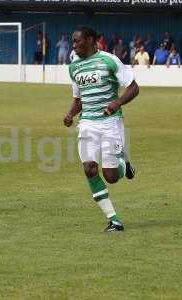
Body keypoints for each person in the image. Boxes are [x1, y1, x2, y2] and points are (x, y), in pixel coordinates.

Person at [63, 26, 139, 232]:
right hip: (87, 123)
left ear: (89, 40)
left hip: (110, 122)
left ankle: (125, 164)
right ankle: (114, 220)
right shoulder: (74, 67)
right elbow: (79, 99)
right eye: (73, 41)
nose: (74, 44)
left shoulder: (109, 60)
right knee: (89, 169)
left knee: (112, 176)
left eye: (77, 41)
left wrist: (117, 103)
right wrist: (70, 114)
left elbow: (133, 87)